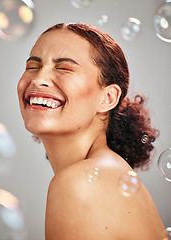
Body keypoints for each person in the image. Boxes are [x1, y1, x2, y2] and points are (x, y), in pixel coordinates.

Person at [17, 23, 168, 240]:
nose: (38, 79)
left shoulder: (80, 183)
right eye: (32, 66)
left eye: (64, 68)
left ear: (108, 98)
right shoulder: (106, 173)